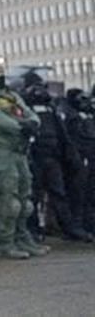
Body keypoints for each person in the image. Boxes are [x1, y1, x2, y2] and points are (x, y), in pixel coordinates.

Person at [0, 60, 46, 259]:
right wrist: (20, 126)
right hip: (1, 151)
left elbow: (30, 113)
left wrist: (32, 123)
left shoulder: (12, 96)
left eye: (1, 72)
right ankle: (4, 241)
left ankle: (22, 237)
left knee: (25, 198)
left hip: (19, 151)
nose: (0, 75)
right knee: (8, 198)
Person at [14, 70, 91, 241]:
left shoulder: (50, 107)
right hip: (34, 155)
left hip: (52, 156)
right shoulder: (24, 106)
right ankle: (33, 229)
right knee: (33, 195)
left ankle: (69, 228)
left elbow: (62, 133)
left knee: (59, 193)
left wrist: (70, 154)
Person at [61, 86, 95, 236]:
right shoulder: (70, 114)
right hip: (80, 155)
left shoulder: (87, 113)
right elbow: (69, 137)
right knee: (79, 191)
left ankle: (87, 223)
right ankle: (78, 224)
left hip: (89, 153)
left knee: (89, 191)